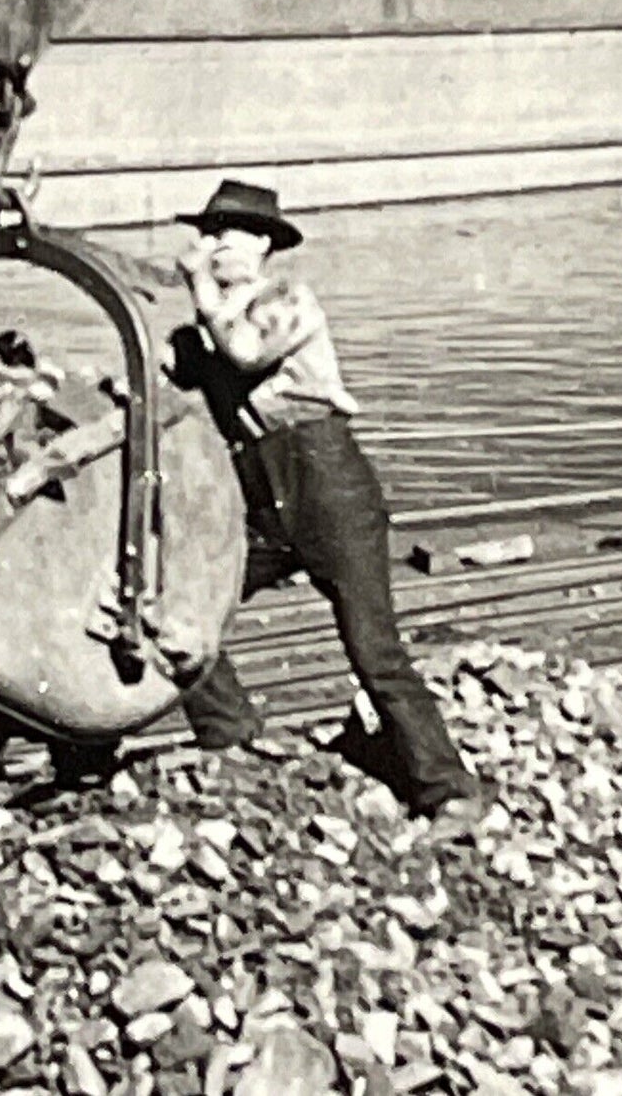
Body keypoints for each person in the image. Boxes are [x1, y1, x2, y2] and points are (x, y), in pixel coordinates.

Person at [169, 180, 485, 831]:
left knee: (374, 649)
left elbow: (245, 350)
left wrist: (199, 293)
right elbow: (170, 383)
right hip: (261, 491)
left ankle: (449, 791)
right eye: (209, 230)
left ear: (262, 244)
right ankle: (232, 735)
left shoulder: (286, 298)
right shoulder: (208, 323)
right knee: (184, 609)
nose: (215, 243)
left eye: (230, 232)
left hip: (326, 478)